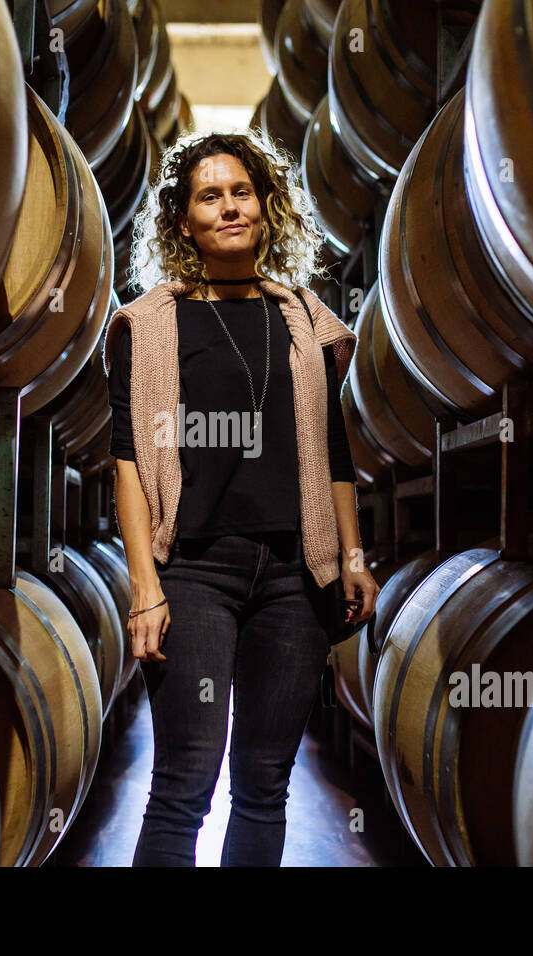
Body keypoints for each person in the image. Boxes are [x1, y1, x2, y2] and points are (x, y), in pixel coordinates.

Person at [101, 129, 380, 867]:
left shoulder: (306, 322)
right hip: (194, 574)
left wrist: (352, 555)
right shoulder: (150, 325)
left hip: (295, 578)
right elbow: (128, 463)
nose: (229, 207)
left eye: (241, 192)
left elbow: (335, 454)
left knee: (263, 784)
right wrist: (143, 588)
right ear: (183, 220)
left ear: (265, 206)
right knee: (184, 785)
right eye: (209, 196)